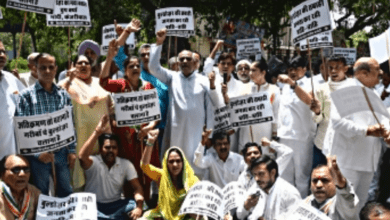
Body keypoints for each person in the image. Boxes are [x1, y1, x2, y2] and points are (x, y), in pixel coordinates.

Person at [323, 57, 390, 214]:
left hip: (368, 163)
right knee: (341, 207)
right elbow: (338, 123)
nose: (381, 77)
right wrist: (366, 130)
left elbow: (384, 120)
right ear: (365, 74)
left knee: (359, 209)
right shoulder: (346, 90)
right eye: (378, 74)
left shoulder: (373, 94)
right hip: (348, 162)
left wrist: (387, 132)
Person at [148, 28, 218, 178]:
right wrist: (159, 43)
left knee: (195, 161)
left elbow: (210, 107)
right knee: (176, 159)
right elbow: (153, 68)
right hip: (176, 128)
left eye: (188, 59)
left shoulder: (203, 80)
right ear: (178, 62)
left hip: (197, 129)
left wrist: (210, 132)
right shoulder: (172, 77)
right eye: (182, 59)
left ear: (194, 62)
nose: (185, 61)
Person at [100, 38, 161, 202]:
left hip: (145, 138)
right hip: (126, 138)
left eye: (137, 65)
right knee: (129, 173)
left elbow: (156, 116)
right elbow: (103, 82)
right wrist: (108, 58)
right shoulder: (120, 85)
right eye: (131, 66)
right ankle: (130, 207)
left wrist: (149, 127)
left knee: (146, 171)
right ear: (125, 71)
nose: (135, 68)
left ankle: (146, 206)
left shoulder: (148, 86)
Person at [15, 53, 75, 197]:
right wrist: (37, 154)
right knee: (40, 193)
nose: (47, 71)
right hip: (38, 157)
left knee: (66, 190)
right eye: (43, 67)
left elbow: (70, 125)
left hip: (61, 153)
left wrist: (72, 151)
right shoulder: (26, 96)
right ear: (35, 69)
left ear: (56, 69)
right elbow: (22, 130)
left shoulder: (63, 95)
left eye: (50, 67)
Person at [58, 54, 112, 191]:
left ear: (91, 66)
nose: (83, 65)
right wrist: (69, 79)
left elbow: (110, 102)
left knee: (99, 168)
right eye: (79, 63)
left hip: (101, 135)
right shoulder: (69, 83)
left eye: (86, 63)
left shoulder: (97, 82)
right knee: (79, 170)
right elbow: (57, 92)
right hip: (80, 135)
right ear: (73, 67)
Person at [79, 115, 144, 220]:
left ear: (118, 150)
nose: (111, 151)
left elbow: (137, 188)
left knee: (132, 204)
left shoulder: (125, 164)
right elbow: (82, 157)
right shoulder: (94, 162)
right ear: (101, 149)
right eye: (107, 147)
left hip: (116, 205)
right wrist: (97, 132)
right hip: (94, 206)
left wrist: (139, 208)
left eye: (114, 148)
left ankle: (108, 218)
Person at [277, 56, 317, 197]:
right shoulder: (285, 86)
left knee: (302, 177)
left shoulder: (311, 83)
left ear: (304, 69)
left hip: (302, 137)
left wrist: (293, 84)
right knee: (284, 176)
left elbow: (309, 101)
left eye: (296, 69)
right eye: (290, 69)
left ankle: (301, 209)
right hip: (285, 136)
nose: (292, 72)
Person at [140, 130, 200, 220]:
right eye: (171, 161)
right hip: (162, 215)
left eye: (178, 161)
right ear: (166, 164)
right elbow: (144, 166)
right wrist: (150, 142)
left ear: (183, 163)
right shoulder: (162, 175)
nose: (175, 165)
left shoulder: (192, 179)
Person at [237, 156, 301, 220]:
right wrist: (246, 207)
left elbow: (297, 217)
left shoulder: (289, 192)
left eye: (261, 174)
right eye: (255, 174)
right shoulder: (256, 188)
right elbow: (239, 216)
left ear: (273, 173)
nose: (257, 179)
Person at [238, 59, 280, 154]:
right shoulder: (244, 88)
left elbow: (276, 115)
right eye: (250, 70)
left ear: (263, 72)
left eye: (254, 70)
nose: (250, 73)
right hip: (245, 135)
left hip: (264, 134)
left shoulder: (274, 90)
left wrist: (274, 139)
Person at [304, 155, 359, 220]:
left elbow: (347, 198)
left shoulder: (342, 204)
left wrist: (340, 181)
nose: (318, 185)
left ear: (335, 183)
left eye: (325, 180)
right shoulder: (306, 202)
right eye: (315, 181)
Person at [0, 40, 25, 160]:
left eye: (3, 52)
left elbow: (28, 102)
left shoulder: (11, 79)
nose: (2, 55)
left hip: (10, 152)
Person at [0, 155, 41, 220]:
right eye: (16, 169)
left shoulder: (34, 192)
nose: (22, 174)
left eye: (26, 169)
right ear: (2, 174)